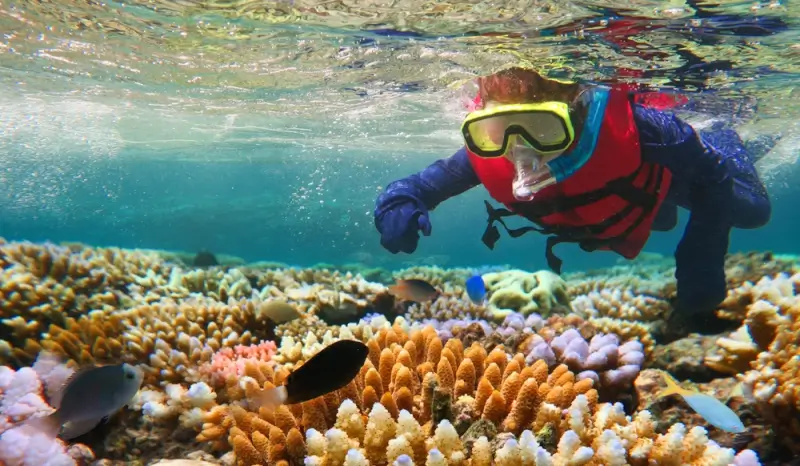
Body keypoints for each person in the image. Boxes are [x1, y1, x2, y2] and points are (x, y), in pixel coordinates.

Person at [373, 67, 772, 335]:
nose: (519, 151)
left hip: (663, 172)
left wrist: (700, 258)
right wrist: (397, 202)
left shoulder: (650, 130)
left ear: (577, 113)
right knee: (661, 221)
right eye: (496, 132)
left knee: (751, 210)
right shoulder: (491, 156)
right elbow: (420, 186)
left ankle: (723, 135)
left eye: (543, 129)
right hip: (627, 197)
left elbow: (712, 179)